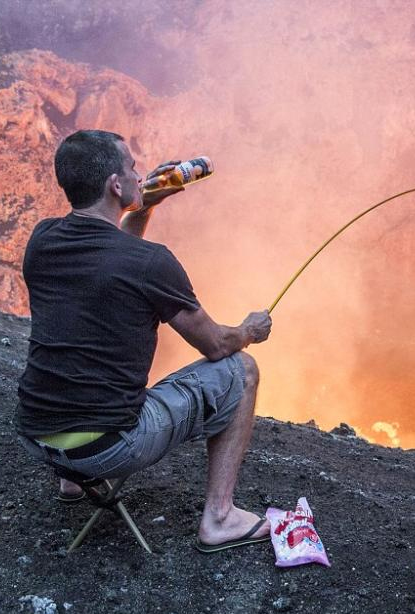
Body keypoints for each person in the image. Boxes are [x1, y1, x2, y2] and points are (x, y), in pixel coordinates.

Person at [15, 129, 273, 552]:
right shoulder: (152, 263)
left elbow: (110, 262)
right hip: (108, 448)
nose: (140, 172)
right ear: (115, 185)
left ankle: (71, 484)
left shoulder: (42, 240)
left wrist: (145, 206)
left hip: (36, 436)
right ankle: (221, 517)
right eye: (132, 166)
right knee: (240, 370)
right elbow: (216, 346)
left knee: (79, 344)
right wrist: (249, 331)